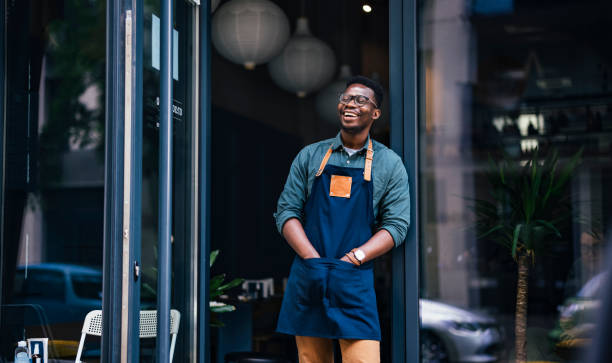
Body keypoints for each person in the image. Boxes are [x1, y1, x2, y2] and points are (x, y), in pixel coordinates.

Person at [274, 75, 411, 363]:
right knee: (312, 359)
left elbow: (397, 226)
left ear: (375, 113)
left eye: (361, 100)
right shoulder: (310, 156)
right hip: (310, 274)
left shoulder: (389, 164)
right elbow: (287, 211)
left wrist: (355, 257)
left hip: (353, 278)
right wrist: (311, 259)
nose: (350, 104)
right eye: (346, 98)